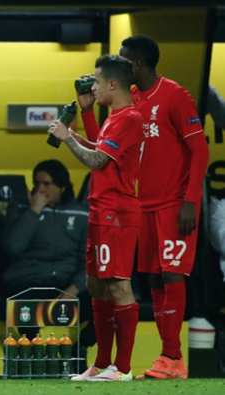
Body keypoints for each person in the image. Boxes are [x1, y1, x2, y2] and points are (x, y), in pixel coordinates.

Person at [117, 34, 210, 379]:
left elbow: (200, 151)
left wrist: (191, 201)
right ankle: (170, 358)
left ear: (137, 64)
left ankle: (173, 357)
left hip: (175, 204)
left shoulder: (175, 95)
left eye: (124, 60)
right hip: (145, 206)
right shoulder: (133, 100)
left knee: (172, 274)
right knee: (154, 278)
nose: (121, 64)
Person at [48, 54, 143, 381]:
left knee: (118, 285)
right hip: (101, 210)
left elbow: (96, 161)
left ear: (113, 84)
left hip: (117, 212)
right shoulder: (115, 118)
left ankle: (124, 368)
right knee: (96, 286)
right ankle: (102, 363)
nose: (93, 87)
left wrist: (66, 136)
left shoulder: (129, 118)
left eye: (97, 82)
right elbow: (99, 148)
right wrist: (86, 113)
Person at [2, 159, 94, 371]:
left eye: (47, 184)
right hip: (28, 279)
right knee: (23, 304)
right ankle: (36, 352)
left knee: (109, 305)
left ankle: (79, 348)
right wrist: (34, 211)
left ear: (62, 187)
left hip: (67, 282)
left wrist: (75, 288)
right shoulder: (21, 207)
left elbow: (88, 259)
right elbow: (14, 246)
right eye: (37, 184)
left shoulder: (81, 213)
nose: (40, 189)